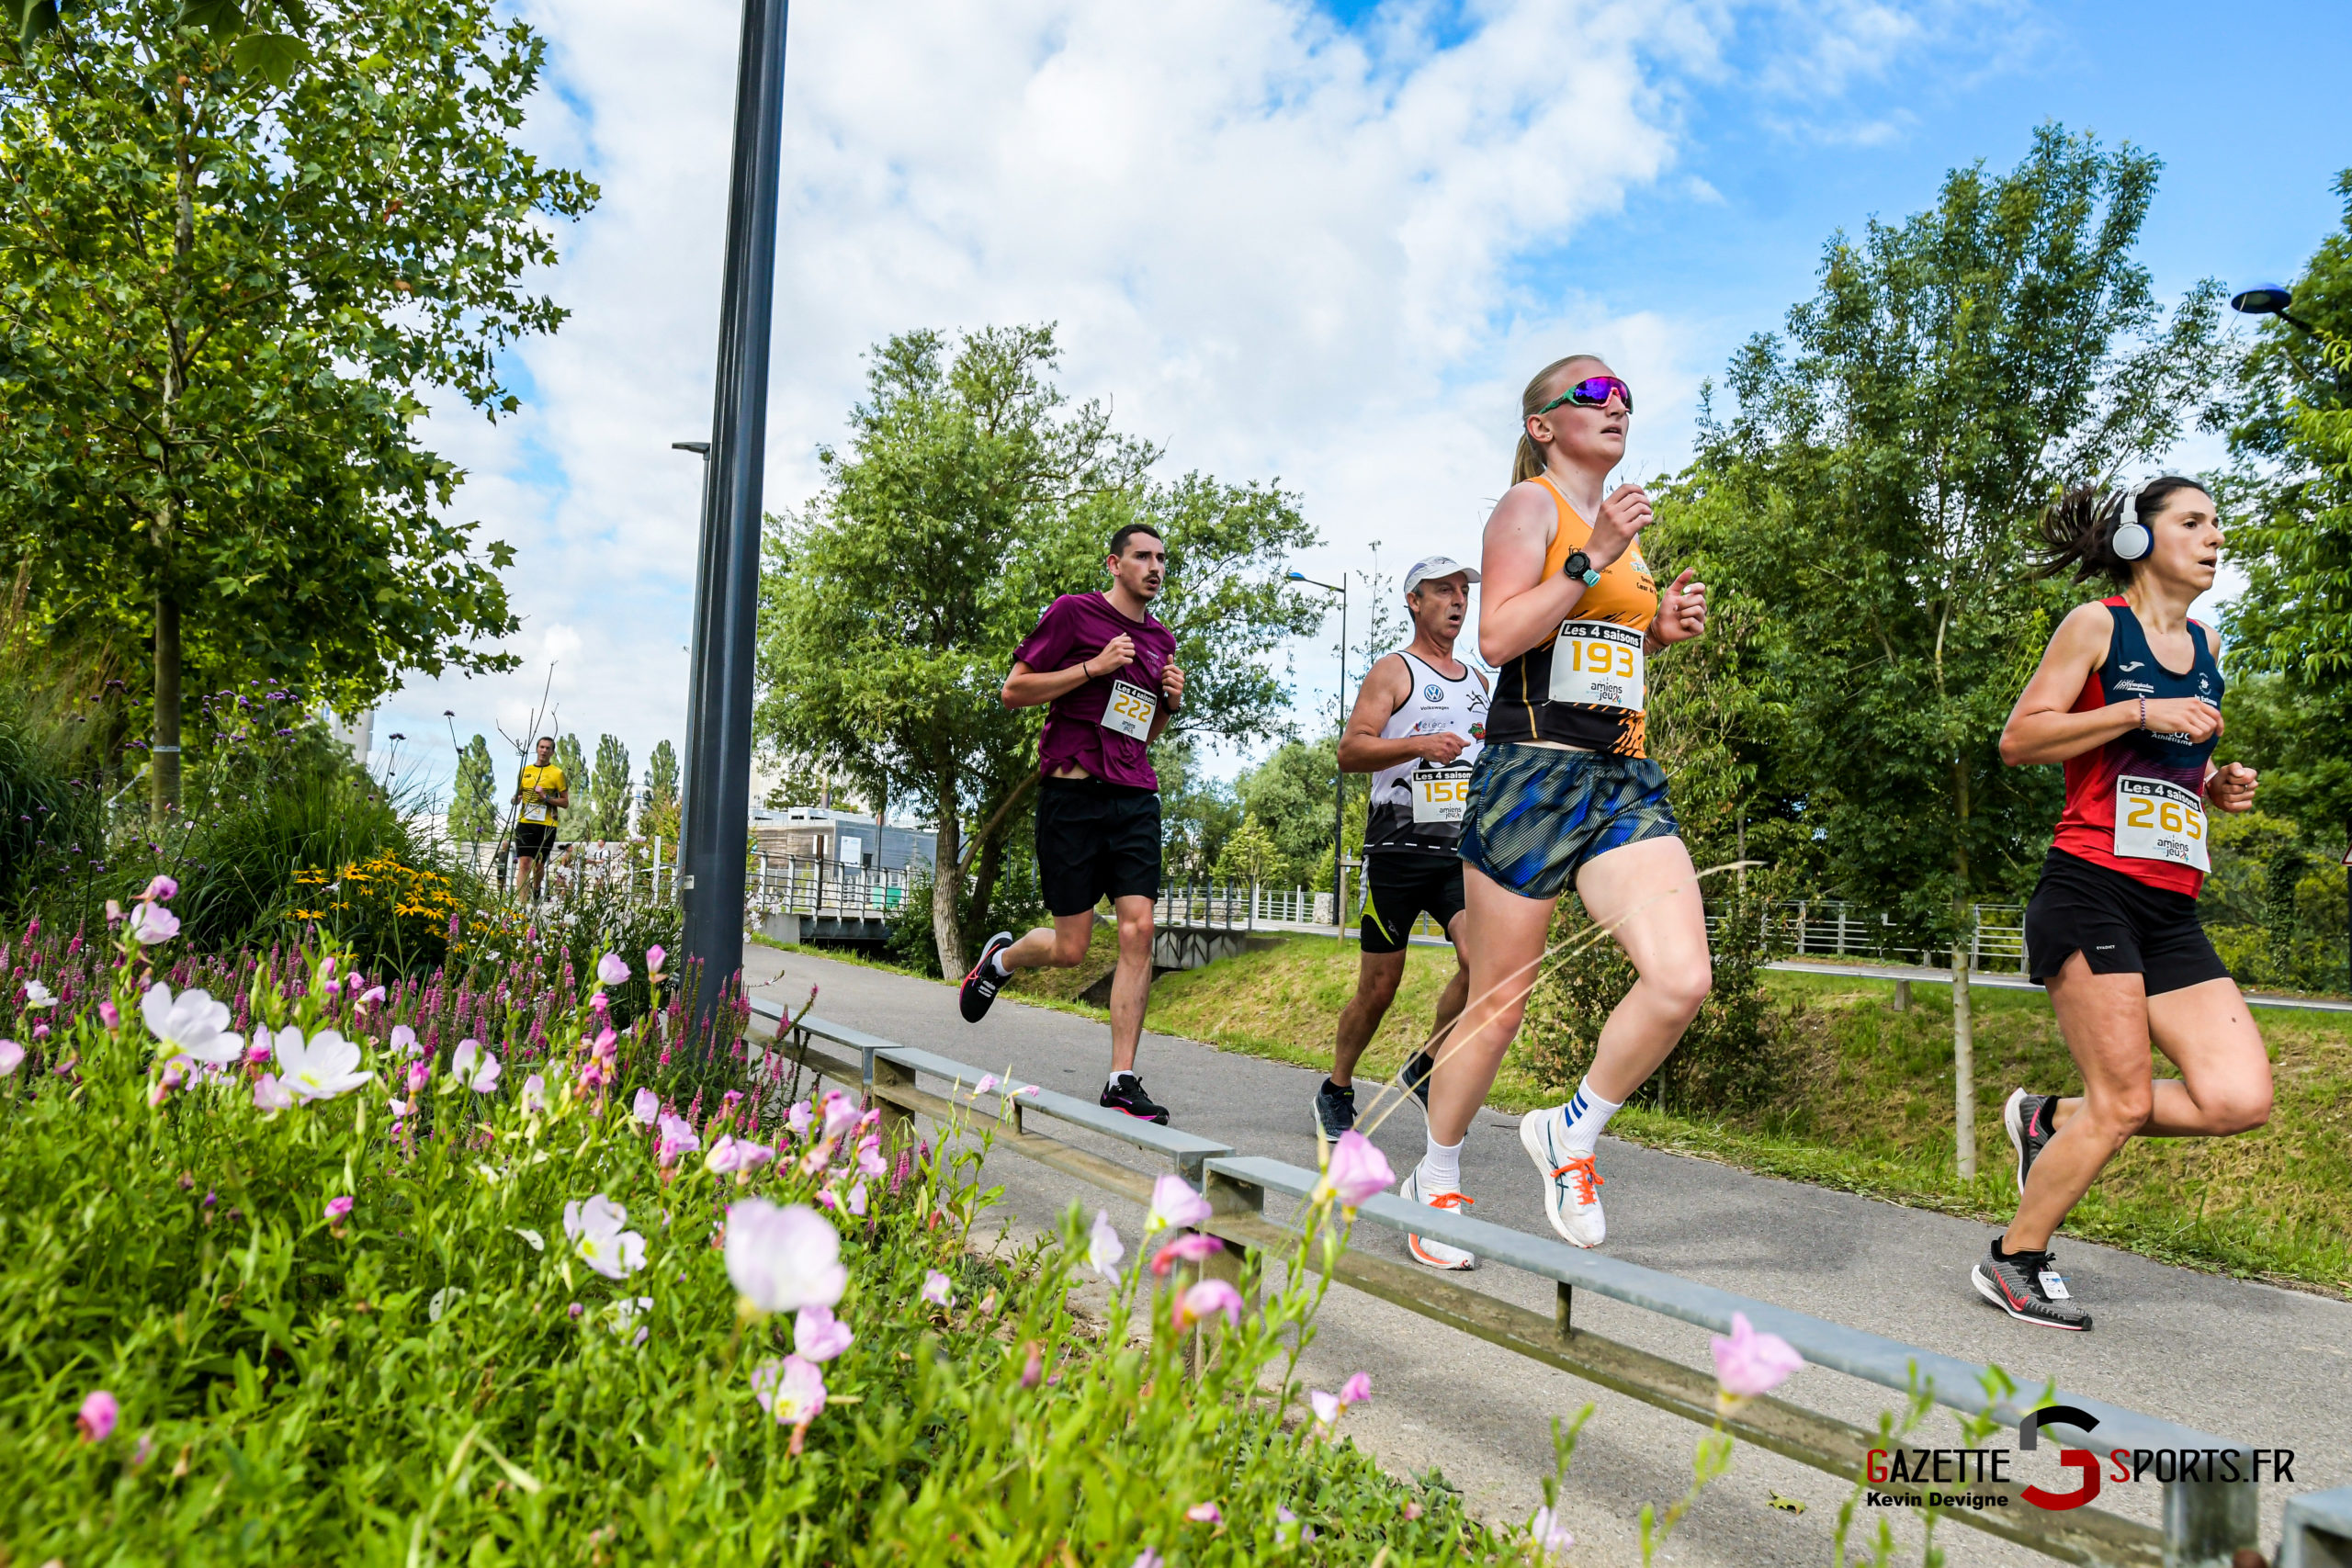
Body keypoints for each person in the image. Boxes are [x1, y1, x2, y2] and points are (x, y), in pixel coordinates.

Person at [1397, 355, 1711, 1270]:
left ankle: (1570, 1130)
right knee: (1498, 1002)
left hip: (1619, 780)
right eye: (1593, 396)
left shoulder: (1622, 527)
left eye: (1625, 398)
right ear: (1543, 426)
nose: (1617, 407)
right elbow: (1498, 636)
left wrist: (1658, 632)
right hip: (1530, 775)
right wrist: (1594, 556)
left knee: (1680, 977)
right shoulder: (1530, 509)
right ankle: (1440, 1174)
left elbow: (1587, 637)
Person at [1974, 477, 2267, 1331]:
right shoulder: (2099, 625)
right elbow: (2020, 738)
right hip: (2090, 886)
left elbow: (2159, 765)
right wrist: (2139, 705)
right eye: (2193, 522)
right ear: (2142, 540)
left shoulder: (2209, 641)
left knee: (2237, 1097)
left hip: (2172, 903)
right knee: (2128, 1100)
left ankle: (2048, 1120)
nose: (2215, 537)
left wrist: (2216, 784)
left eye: (2218, 523)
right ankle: (2014, 1259)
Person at [958, 523, 1186, 1124]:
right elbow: (1014, 690)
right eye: (1143, 556)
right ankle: (1000, 961)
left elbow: (1141, 737)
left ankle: (1120, 1080)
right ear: (1114, 563)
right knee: (1071, 946)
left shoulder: (1161, 640)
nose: (1155, 566)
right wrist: (1092, 667)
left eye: (1161, 558)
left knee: (1140, 930)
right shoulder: (1073, 614)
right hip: (1071, 798)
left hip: (1134, 796)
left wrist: (1167, 705)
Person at [1312, 556, 1490, 1143]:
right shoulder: (1394, 671)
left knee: (1481, 962)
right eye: (1444, 591)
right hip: (1394, 852)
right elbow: (1351, 750)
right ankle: (1336, 1088)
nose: (1458, 601)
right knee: (1379, 987)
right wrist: (1419, 745)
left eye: (1463, 591)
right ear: (1415, 601)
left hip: (1459, 853)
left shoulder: (1479, 681)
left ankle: (1426, 1064)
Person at [512, 735, 569, 903]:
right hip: (525, 822)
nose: (544, 751)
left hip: (546, 824)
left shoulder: (557, 773)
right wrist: (515, 799)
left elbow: (565, 803)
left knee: (539, 864)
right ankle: (522, 905)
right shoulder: (525, 771)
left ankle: (537, 889)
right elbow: (518, 794)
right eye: (541, 747)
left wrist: (545, 798)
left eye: (547, 748)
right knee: (524, 863)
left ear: (552, 752)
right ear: (537, 749)